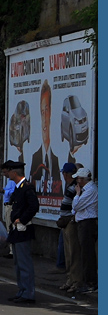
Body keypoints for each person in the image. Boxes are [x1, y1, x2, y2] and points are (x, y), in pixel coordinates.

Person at [2, 160, 39, 303]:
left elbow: (34, 206)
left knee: (24, 263)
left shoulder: (26, 188)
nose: (7, 174)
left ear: (14, 172)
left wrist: (22, 220)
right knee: (18, 263)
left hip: (23, 229)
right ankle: (22, 289)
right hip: (16, 230)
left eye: (9, 171)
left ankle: (28, 292)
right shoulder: (19, 188)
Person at [30, 81, 61, 198]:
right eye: (42, 112)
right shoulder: (35, 159)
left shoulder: (56, 160)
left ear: (51, 112)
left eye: (46, 111)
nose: (44, 118)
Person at [58, 163, 83, 294]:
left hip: (71, 222)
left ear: (66, 174)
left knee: (73, 252)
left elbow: (77, 204)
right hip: (65, 222)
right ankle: (70, 278)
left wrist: (72, 218)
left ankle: (76, 280)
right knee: (68, 253)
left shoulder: (75, 187)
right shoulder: (70, 186)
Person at [71, 167, 97, 294]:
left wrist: (77, 194)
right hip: (83, 223)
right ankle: (88, 281)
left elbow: (76, 206)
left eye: (78, 179)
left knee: (88, 254)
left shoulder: (90, 190)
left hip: (88, 223)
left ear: (83, 179)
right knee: (85, 253)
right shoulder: (87, 190)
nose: (77, 181)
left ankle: (91, 283)